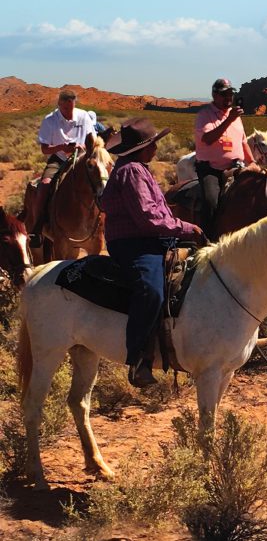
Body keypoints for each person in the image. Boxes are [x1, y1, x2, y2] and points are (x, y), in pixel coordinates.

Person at [100, 118, 205, 388]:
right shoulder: (132, 172)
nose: (156, 148)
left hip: (150, 238)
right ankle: (138, 359)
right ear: (141, 148)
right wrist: (184, 228)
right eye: (152, 144)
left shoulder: (140, 168)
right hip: (133, 243)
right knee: (151, 289)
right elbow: (148, 218)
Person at [29, 89, 97, 247]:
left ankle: (103, 222)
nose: (69, 111)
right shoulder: (50, 120)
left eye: (71, 107)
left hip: (82, 159)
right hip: (59, 159)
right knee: (45, 183)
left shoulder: (83, 116)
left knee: (101, 180)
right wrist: (62, 147)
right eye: (66, 108)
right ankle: (37, 227)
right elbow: (45, 149)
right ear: (59, 104)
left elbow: (92, 138)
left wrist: (85, 148)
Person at [193, 78, 255, 241]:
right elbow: (208, 138)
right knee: (211, 201)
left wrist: (253, 163)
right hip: (211, 169)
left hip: (235, 167)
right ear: (214, 95)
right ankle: (208, 240)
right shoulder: (205, 115)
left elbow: (243, 143)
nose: (228, 98)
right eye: (224, 94)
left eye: (230, 94)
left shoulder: (236, 116)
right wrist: (229, 120)